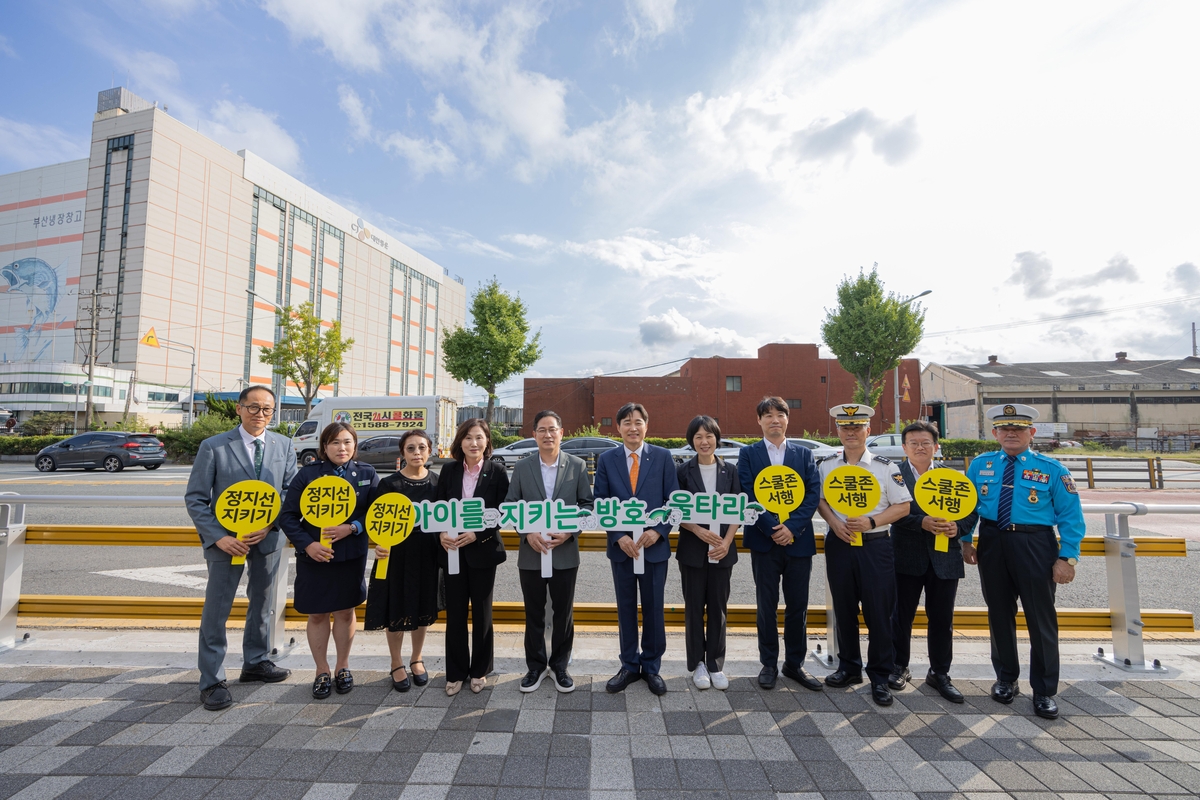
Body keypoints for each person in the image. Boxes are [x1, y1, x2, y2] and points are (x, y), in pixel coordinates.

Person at [962, 404, 1084, 720]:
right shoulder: (980, 465)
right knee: (999, 613)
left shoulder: (1052, 469)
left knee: (1040, 618)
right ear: (995, 433)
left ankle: (1043, 691)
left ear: (1032, 433)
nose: (1011, 434)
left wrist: (1067, 558)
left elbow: (1071, 516)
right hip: (992, 543)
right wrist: (965, 540)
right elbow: (969, 507)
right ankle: (1006, 679)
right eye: (1005, 429)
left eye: (1018, 429)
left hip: (1035, 544)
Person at [184, 385, 298, 711]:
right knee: (217, 610)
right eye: (253, 407)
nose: (260, 415)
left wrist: (270, 525)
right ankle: (211, 681)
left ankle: (256, 662)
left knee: (262, 604)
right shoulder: (214, 446)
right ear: (239, 408)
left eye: (267, 409)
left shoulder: (283, 445)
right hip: (226, 544)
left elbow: (290, 492)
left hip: (268, 539)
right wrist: (219, 536)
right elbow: (196, 497)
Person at [817, 404, 912, 707]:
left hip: (875, 545)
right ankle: (849, 667)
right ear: (838, 431)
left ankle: (880, 676)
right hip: (840, 543)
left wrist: (872, 521)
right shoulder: (828, 464)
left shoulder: (886, 467)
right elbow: (820, 500)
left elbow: (903, 507)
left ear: (868, 430)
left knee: (878, 612)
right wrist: (834, 523)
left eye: (857, 426)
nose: (851, 432)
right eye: (845, 427)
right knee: (843, 609)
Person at [280, 422, 378, 699]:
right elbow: (287, 516)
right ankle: (321, 670)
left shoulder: (367, 473)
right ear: (324, 447)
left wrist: (353, 527)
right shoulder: (308, 475)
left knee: (346, 611)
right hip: (315, 556)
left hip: (350, 555)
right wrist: (307, 545)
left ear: (355, 445)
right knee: (318, 612)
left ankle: (342, 667)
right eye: (335, 442)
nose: (342, 447)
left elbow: (376, 511)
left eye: (347, 442)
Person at [735, 397, 823, 692]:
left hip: (798, 541)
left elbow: (813, 493)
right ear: (758, 420)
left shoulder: (803, 454)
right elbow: (747, 493)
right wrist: (773, 528)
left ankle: (794, 664)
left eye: (780, 415)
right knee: (766, 605)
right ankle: (769, 663)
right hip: (764, 541)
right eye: (768, 415)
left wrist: (792, 528)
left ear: (788, 419)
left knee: (798, 606)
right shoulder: (748, 454)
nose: (775, 420)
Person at [506, 410, 594, 693]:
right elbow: (510, 505)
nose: (547, 434)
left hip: (565, 552)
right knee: (533, 612)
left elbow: (587, 505)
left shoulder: (578, 465)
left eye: (552, 429)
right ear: (534, 435)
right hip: (531, 552)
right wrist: (526, 532)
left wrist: (570, 531)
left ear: (561, 432)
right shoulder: (522, 467)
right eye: (541, 430)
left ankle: (559, 666)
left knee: (563, 613)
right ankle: (534, 666)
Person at [594, 402, 678, 696]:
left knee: (654, 608)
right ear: (618, 427)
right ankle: (629, 665)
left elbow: (673, 501)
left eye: (638, 422)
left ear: (646, 425)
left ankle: (652, 666)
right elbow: (600, 501)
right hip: (623, 550)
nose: (633, 427)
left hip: (654, 548)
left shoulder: (664, 457)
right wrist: (618, 535)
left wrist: (660, 530)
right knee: (626, 608)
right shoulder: (607, 459)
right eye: (627, 422)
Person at [889, 421, 977, 703]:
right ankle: (898, 666)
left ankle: (939, 672)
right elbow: (888, 511)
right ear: (904, 447)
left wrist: (959, 528)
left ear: (936, 447)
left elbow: (972, 511)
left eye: (925, 443)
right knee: (901, 616)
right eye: (913, 443)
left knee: (942, 619)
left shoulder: (953, 478)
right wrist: (921, 522)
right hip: (904, 555)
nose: (919, 447)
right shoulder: (894, 476)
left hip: (944, 558)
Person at [436, 418, 509, 696]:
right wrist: (441, 533)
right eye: (467, 438)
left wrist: (478, 534)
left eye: (479, 437)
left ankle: (479, 670)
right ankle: (455, 672)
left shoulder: (497, 472)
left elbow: (502, 512)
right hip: (452, 550)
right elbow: (437, 507)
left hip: (482, 551)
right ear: (460, 442)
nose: (473, 443)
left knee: (482, 613)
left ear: (487, 441)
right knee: (455, 614)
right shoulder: (449, 471)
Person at [364, 429, 441, 692]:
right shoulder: (389, 484)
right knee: (395, 608)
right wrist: (378, 544)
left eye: (422, 447)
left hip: (428, 554)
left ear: (430, 450)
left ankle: (416, 658)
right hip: (395, 555)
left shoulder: (438, 483)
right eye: (411, 448)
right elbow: (374, 521)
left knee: (422, 608)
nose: (417, 453)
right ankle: (396, 662)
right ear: (402, 452)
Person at [676, 415, 741, 691]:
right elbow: (674, 511)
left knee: (718, 607)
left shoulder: (731, 471)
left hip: (722, 550)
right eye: (699, 437)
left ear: (718, 438)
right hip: (692, 550)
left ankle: (715, 663)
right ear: (692, 441)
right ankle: (697, 664)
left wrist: (726, 541)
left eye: (709, 436)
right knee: (693, 608)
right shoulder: (682, 471)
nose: (704, 441)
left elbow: (738, 510)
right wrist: (699, 531)